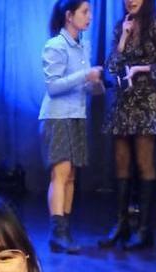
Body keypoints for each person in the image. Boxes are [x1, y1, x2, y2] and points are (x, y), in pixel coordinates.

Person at [101, 0, 156, 250]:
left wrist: (140, 68)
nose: (131, 0)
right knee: (121, 163)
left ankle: (144, 229)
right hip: (123, 102)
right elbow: (111, 67)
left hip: (147, 102)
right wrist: (124, 37)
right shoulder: (120, 25)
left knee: (144, 163)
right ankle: (121, 224)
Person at [39, 0, 105, 254]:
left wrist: (96, 85)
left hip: (76, 116)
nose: (89, 16)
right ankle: (57, 233)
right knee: (61, 174)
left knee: (72, 176)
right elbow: (53, 86)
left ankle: (65, 231)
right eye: (84, 12)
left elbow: (83, 88)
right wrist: (85, 76)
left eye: (89, 12)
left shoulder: (83, 46)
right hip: (57, 117)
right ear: (69, 16)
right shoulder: (55, 45)